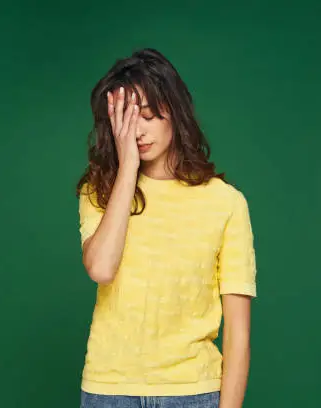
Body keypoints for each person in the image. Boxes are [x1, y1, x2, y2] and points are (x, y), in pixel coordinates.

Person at [75, 48, 257, 408]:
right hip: (109, 391)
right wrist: (127, 167)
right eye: (125, 119)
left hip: (193, 392)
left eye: (146, 115)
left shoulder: (226, 203)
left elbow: (238, 334)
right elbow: (101, 268)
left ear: (173, 109)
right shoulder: (98, 191)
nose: (137, 130)